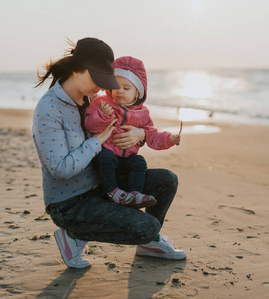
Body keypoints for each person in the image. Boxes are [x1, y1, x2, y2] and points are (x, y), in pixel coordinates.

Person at [32, 37, 186, 269]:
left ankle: (149, 245)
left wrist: (140, 135)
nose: (104, 87)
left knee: (167, 180)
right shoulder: (49, 110)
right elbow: (60, 170)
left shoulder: (92, 100)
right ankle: (73, 236)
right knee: (146, 227)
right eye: (99, 79)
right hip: (70, 203)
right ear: (79, 70)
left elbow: (121, 132)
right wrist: (96, 141)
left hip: (101, 184)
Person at [84, 56, 181, 209]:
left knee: (139, 161)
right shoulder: (102, 103)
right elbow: (90, 125)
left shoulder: (142, 113)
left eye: (126, 88)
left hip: (126, 158)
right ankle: (112, 191)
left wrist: (169, 139)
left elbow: (152, 136)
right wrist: (103, 115)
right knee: (105, 157)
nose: (119, 91)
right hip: (107, 155)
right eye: (115, 86)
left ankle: (136, 193)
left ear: (138, 92)